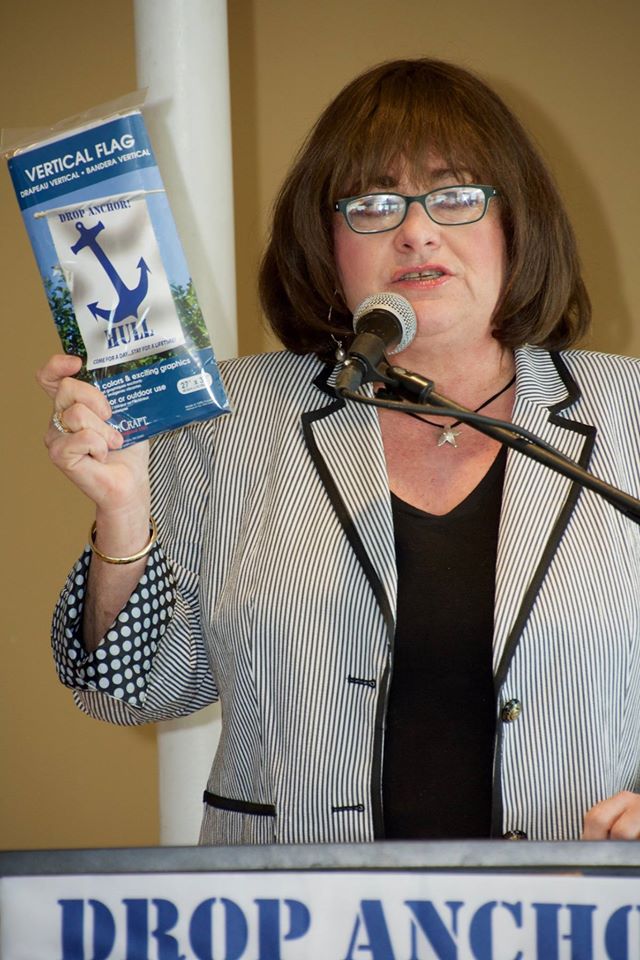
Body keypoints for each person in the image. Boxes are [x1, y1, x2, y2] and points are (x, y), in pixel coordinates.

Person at [39, 58, 640, 845]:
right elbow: (136, 692)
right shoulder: (230, 420)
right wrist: (121, 521)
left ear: (516, 223)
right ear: (327, 244)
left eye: (456, 194)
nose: (415, 229)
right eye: (373, 202)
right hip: (295, 916)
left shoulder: (628, 414)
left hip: (569, 915)